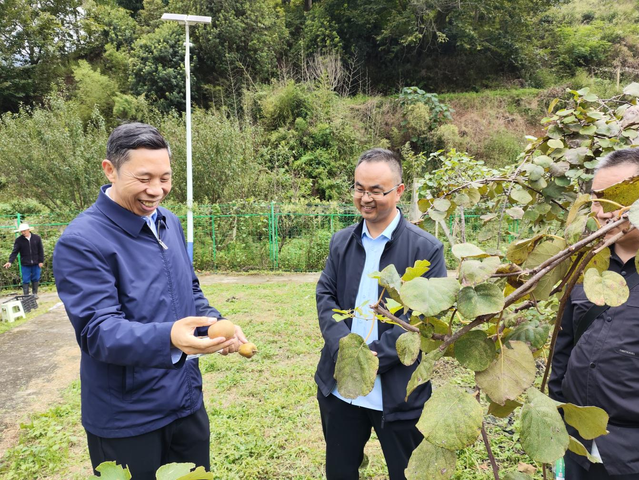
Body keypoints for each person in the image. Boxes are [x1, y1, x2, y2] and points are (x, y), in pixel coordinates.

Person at [53, 122, 248, 480]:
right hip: (127, 418)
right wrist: (169, 337)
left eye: (165, 178)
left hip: (185, 401)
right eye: (144, 179)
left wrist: (215, 323)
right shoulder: (82, 241)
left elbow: (189, 291)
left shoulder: (168, 222)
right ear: (110, 170)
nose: (156, 190)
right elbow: (98, 331)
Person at [315, 148, 447, 480]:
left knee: (407, 474)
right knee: (341, 472)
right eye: (359, 188)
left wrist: (374, 358)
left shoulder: (426, 249)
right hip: (340, 387)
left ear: (399, 191)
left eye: (376, 190)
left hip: (399, 393)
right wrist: (345, 349)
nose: (365, 198)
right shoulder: (342, 242)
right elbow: (325, 296)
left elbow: (425, 318)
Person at [549, 148, 639, 480]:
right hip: (579, 446)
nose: (601, 212)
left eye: (614, 199)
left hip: (630, 455)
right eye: (596, 200)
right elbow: (564, 346)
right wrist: (557, 413)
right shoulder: (585, 264)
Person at [3, 222, 44, 298]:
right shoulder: (19, 240)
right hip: (25, 263)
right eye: (21, 231)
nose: (23, 232)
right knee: (25, 279)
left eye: (24, 231)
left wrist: (41, 261)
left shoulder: (37, 238)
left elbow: (40, 250)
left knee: (36, 278)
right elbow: (15, 252)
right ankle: (26, 295)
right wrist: (10, 261)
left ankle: (35, 293)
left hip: (36, 262)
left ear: (28, 230)